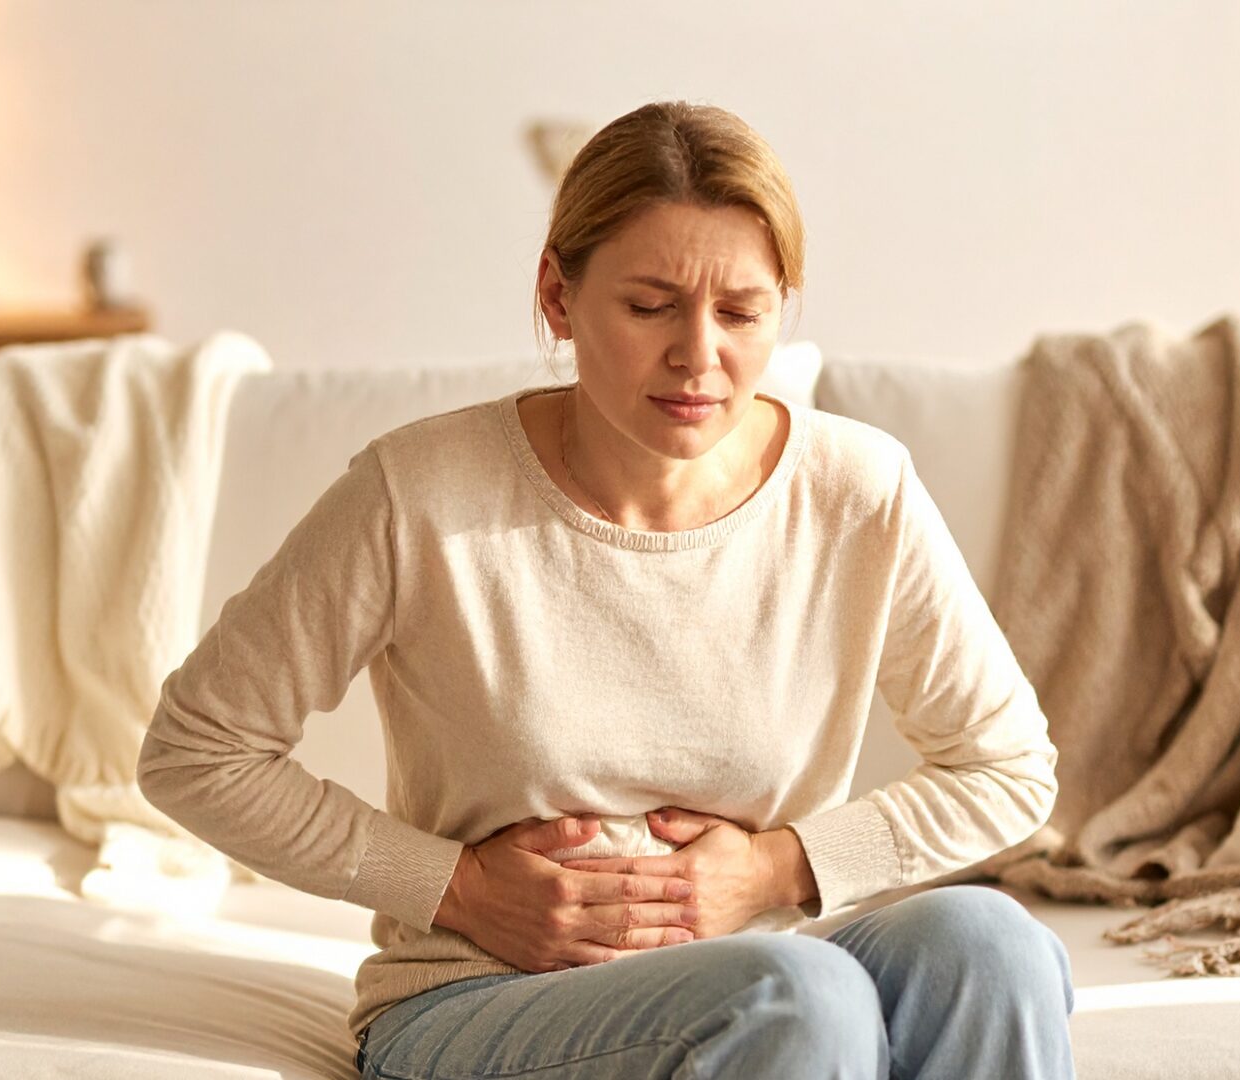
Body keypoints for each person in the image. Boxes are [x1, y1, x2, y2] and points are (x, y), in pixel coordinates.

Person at [138, 100, 1077, 1080]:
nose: (698, 355)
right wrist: (457, 888)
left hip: (773, 992)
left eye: (741, 312)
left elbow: (1008, 768)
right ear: (558, 296)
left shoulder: (858, 492)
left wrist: (777, 867)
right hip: (479, 1000)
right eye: (650, 305)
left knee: (988, 946)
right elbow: (198, 750)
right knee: (796, 996)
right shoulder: (418, 493)